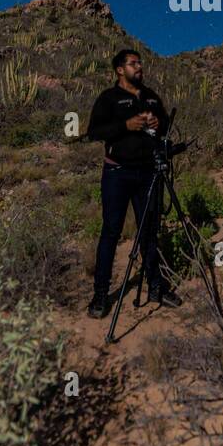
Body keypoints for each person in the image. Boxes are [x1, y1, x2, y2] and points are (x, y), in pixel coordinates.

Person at [84, 49, 183, 318]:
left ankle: (156, 287)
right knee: (111, 232)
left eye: (140, 63)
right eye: (133, 63)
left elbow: (164, 126)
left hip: (149, 173)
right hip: (117, 173)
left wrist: (156, 122)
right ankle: (101, 295)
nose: (139, 67)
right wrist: (125, 125)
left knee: (149, 232)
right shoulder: (109, 98)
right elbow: (94, 132)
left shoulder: (150, 96)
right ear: (119, 69)